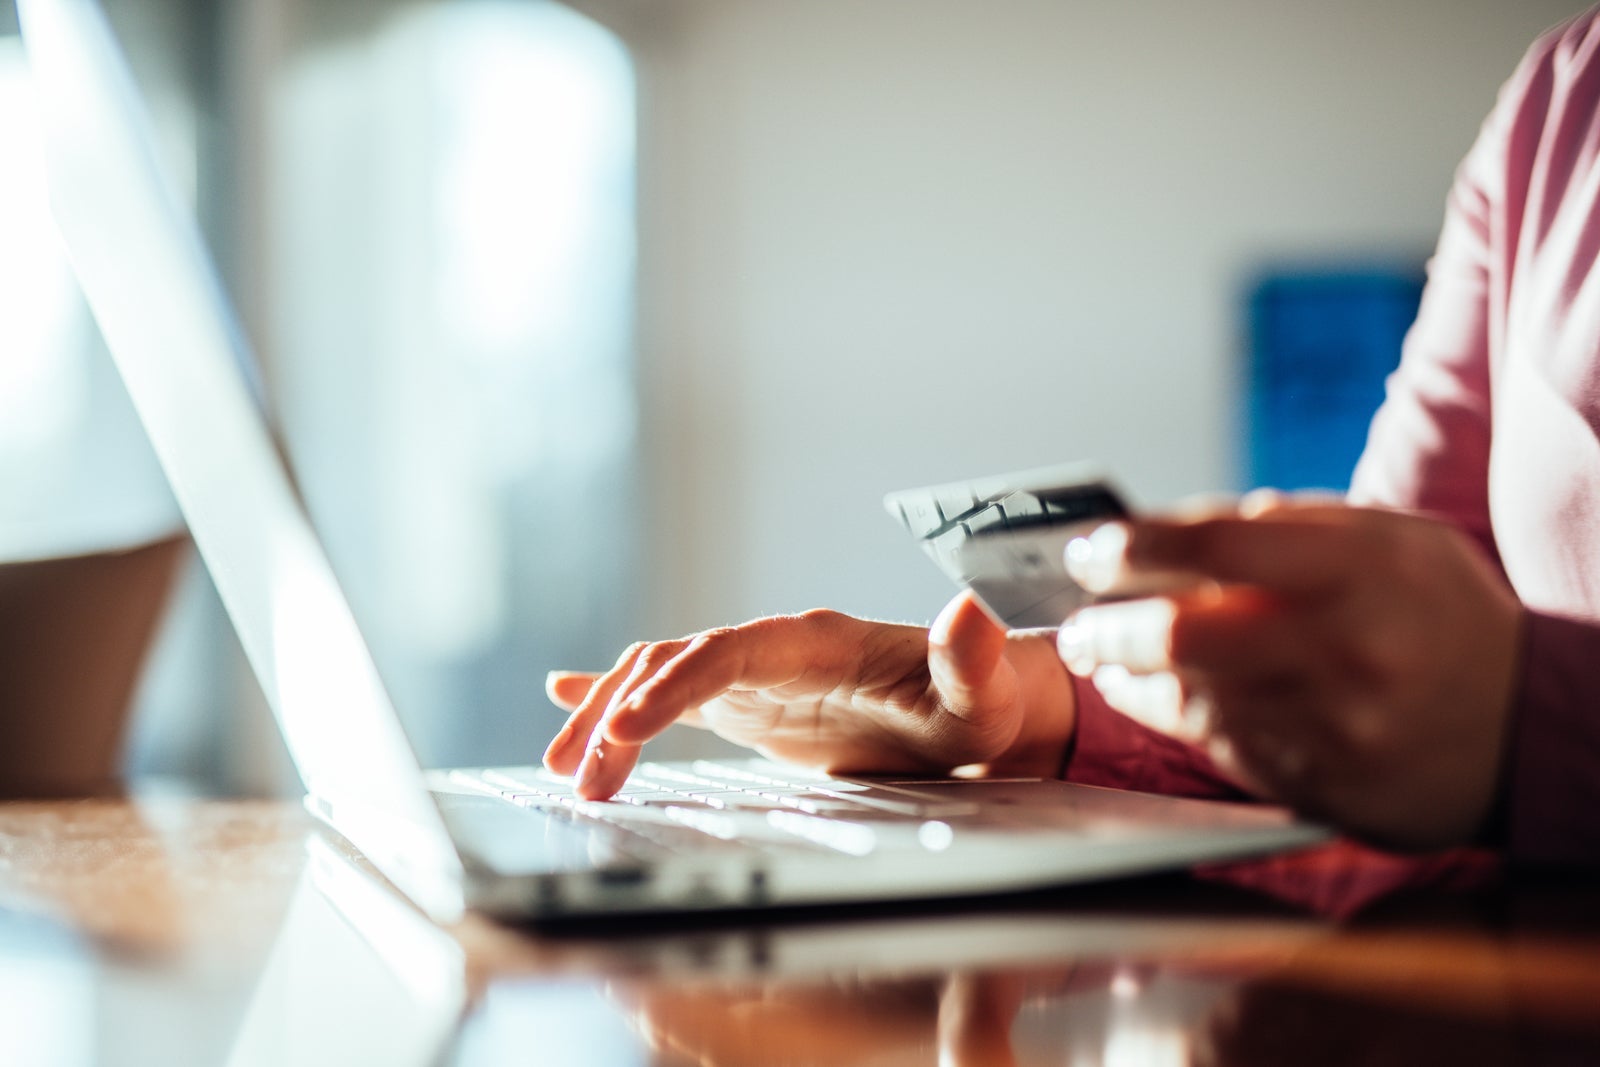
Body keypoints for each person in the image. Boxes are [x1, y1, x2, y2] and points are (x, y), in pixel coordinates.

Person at [546, 8, 1600, 866]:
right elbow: (1375, 683)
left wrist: (1536, 725)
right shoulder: (1555, 104)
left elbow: (1476, 703)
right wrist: (1024, 713)